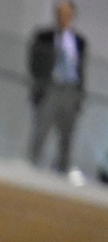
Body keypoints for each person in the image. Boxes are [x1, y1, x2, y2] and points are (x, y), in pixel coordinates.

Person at [30, 3, 88, 177]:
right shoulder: (44, 37)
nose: (64, 17)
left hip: (70, 89)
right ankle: (33, 167)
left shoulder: (80, 42)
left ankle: (62, 171)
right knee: (41, 130)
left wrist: (79, 96)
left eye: (67, 14)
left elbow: (81, 70)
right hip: (51, 87)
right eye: (61, 13)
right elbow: (34, 63)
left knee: (67, 135)